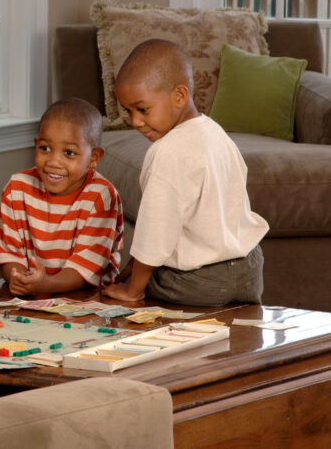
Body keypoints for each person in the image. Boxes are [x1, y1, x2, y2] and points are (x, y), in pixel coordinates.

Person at [103, 39, 269, 305]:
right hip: (249, 270)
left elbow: (155, 229)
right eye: (128, 111)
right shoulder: (216, 133)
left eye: (142, 109)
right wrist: (135, 264)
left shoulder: (166, 152)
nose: (134, 121)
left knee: (131, 286)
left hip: (199, 282)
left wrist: (132, 291)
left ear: (179, 95)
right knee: (146, 266)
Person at [0, 98, 125, 295]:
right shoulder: (17, 187)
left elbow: (87, 266)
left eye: (69, 153)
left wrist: (47, 284)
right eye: (45, 148)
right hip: (34, 291)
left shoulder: (101, 196)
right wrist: (20, 279)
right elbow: (9, 253)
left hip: (90, 295)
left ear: (94, 158)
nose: (53, 162)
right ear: (36, 145)